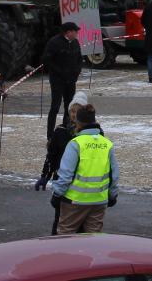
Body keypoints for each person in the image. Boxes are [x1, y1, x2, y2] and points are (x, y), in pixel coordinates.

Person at [51, 105, 119, 234]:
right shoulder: (107, 144)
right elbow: (114, 175)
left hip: (74, 201)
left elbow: (66, 174)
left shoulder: (75, 143)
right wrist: (112, 195)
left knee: (65, 239)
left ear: (78, 122)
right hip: (99, 200)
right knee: (92, 240)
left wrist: (57, 194)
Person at [37, 91, 91, 234]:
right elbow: (51, 156)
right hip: (62, 182)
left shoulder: (92, 134)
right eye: (72, 111)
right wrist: (45, 176)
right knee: (60, 221)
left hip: (83, 185)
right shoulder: (61, 131)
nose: (74, 114)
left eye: (78, 111)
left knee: (82, 226)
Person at [42, 22, 83, 135]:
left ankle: (68, 130)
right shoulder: (54, 42)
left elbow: (79, 58)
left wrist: (77, 72)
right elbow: (47, 60)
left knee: (69, 107)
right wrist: (60, 72)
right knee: (55, 106)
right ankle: (50, 135)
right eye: (75, 31)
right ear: (68, 32)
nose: (77, 33)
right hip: (57, 80)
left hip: (71, 80)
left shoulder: (75, 42)